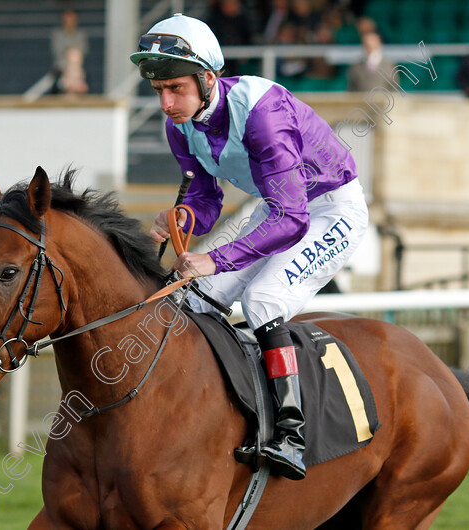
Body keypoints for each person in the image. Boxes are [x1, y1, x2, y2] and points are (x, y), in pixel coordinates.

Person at [130, 14, 368, 480]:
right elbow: (206, 197)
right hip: (278, 203)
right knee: (194, 297)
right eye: (158, 90)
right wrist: (184, 217)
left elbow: (294, 219)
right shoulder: (180, 124)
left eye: (175, 88)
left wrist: (214, 258)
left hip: (329, 209)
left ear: (208, 79)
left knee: (263, 299)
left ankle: (291, 433)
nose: (165, 102)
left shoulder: (263, 112)